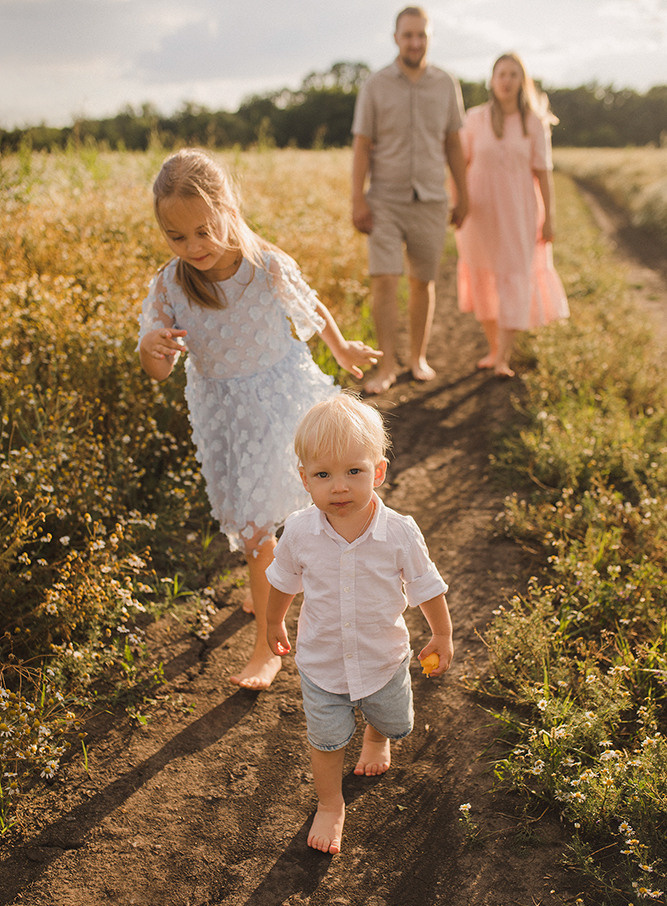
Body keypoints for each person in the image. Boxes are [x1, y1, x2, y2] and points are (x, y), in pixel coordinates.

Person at [138, 149, 382, 691]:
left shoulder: (266, 266)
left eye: (204, 231)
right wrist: (152, 348)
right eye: (177, 237)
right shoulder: (171, 285)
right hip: (226, 417)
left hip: (283, 399)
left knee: (273, 519)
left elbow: (311, 310)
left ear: (228, 208)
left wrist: (341, 350)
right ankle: (269, 582)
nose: (193, 247)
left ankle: (266, 648)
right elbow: (159, 369)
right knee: (253, 523)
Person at [265, 393, 454, 854]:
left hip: (382, 658)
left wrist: (442, 633)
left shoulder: (399, 532)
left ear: (379, 472)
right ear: (304, 478)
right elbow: (283, 580)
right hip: (322, 662)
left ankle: (376, 736)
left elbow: (426, 585)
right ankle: (330, 804)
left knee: (394, 720)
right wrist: (273, 622)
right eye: (323, 475)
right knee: (326, 740)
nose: (340, 487)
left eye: (354, 471)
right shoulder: (299, 531)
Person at [351, 5, 469, 395]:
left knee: (423, 281)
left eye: (421, 35)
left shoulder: (446, 83)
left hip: (432, 199)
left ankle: (417, 358)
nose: (415, 42)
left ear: (429, 38)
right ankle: (386, 366)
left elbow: (453, 143)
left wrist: (463, 194)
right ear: (396, 38)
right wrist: (357, 200)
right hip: (384, 199)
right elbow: (362, 145)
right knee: (385, 280)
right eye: (408, 35)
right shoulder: (375, 84)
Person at [455, 52, 569, 378]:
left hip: (520, 213)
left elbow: (543, 173)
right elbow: (459, 164)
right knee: (483, 278)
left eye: (513, 75)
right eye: (501, 74)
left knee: (514, 276)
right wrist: (458, 202)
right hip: (479, 213)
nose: (506, 80)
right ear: (492, 80)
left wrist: (550, 217)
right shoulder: (474, 118)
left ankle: (503, 357)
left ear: (523, 81)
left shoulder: (534, 121)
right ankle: (493, 348)